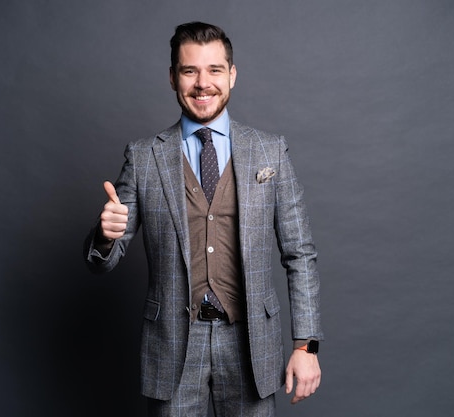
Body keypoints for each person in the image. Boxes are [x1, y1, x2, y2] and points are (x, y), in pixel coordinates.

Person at [84, 21, 322, 417]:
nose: (202, 83)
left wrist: (306, 345)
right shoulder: (144, 157)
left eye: (214, 70)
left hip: (250, 346)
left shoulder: (270, 152)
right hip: (173, 346)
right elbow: (102, 261)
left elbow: (300, 254)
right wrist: (105, 237)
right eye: (189, 70)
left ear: (232, 75)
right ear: (173, 77)